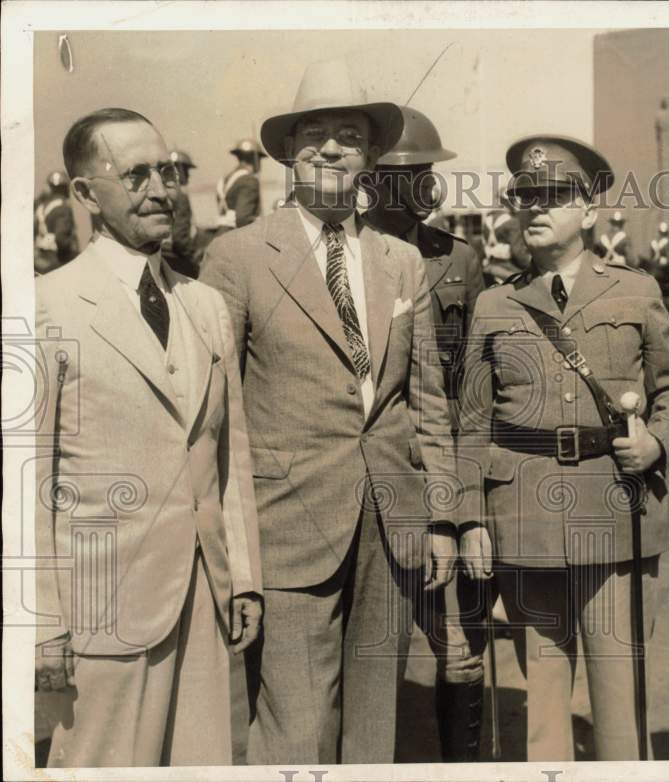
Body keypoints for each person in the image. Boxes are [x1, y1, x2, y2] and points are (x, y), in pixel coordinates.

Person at [199, 60, 459, 765]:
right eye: (315, 135)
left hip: (392, 526)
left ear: (371, 156)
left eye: (350, 136)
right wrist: (234, 555)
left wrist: (441, 516)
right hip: (288, 527)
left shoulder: (401, 261)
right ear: (289, 151)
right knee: (297, 728)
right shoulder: (237, 257)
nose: (333, 149)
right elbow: (218, 415)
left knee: (374, 728)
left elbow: (427, 401)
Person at [34, 107, 262, 766]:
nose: (161, 190)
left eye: (166, 172)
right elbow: (24, 482)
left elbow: (229, 455)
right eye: (136, 175)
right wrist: (42, 623)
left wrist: (245, 577)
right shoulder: (46, 306)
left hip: (204, 598)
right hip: (100, 614)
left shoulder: (204, 304)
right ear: (86, 194)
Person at [457, 134, 669, 760]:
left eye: (554, 196)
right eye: (526, 195)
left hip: (615, 514)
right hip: (524, 522)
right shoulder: (493, 304)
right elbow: (471, 421)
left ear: (589, 211)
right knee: (542, 713)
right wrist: (469, 518)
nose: (535, 207)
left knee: (620, 707)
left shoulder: (635, 291)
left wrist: (658, 443)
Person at [363, 105, 489, 761]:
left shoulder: (458, 257)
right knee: (376, 638)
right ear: (373, 180)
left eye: (426, 172)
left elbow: (478, 370)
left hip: (448, 459)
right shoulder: (353, 254)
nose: (422, 185)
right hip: (385, 462)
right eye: (404, 174)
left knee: (461, 645)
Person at [160, 149, 200, 277]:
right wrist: (193, 259)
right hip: (176, 258)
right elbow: (180, 239)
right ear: (178, 170)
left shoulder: (160, 193)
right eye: (186, 170)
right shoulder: (180, 196)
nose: (188, 176)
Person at [216, 138, 265, 232]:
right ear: (254, 158)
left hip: (221, 233)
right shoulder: (249, 180)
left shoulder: (224, 180)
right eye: (259, 158)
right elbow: (242, 219)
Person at [34, 171, 78, 274]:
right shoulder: (63, 208)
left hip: (38, 259)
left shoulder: (40, 207)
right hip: (56, 261)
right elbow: (61, 239)